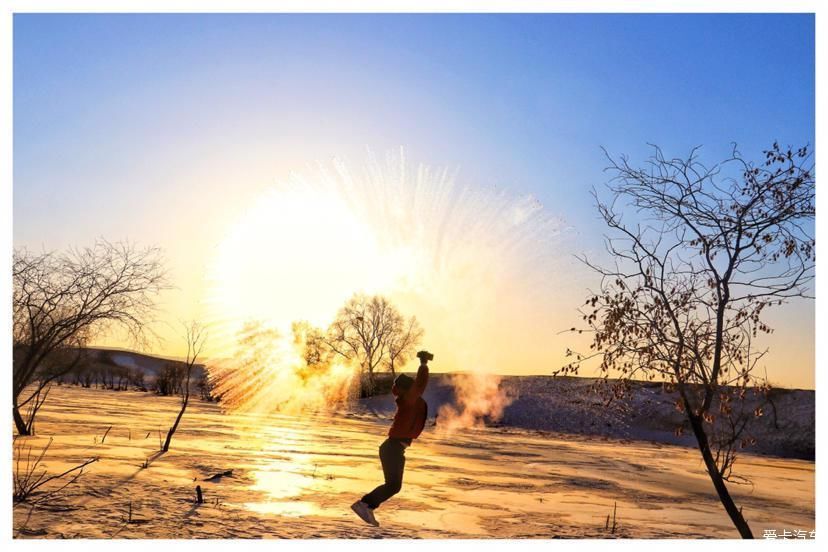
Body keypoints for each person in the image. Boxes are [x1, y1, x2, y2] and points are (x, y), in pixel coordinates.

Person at [351, 352, 431, 527]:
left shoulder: (410, 400)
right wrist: (424, 364)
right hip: (392, 448)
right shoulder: (410, 399)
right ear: (408, 389)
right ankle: (364, 504)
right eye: (412, 386)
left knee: (394, 485)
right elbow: (421, 384)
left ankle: (367, 505)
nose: (415, 389)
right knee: (393, 485)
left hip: (394, 448)